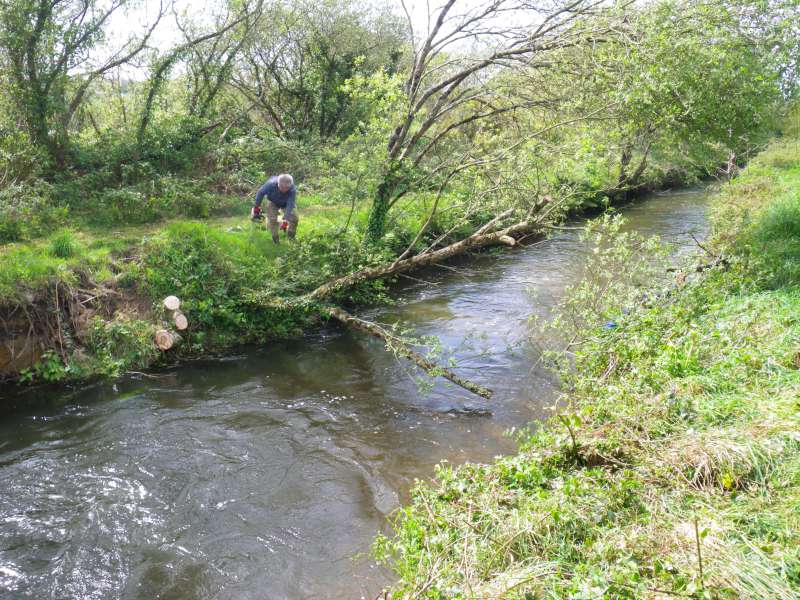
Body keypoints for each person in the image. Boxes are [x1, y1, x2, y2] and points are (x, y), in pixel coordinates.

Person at [251, 173, 298, 244]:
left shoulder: (292, 189)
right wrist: (257, 207)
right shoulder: (270, 184)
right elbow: (260, 193)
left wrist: (285, 219)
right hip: (273, 201)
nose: (284, 190)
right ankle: (275, 239)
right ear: (278, 184)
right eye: (282, 187)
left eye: (287, 188)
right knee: (272, 219)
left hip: (286, 203)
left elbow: (290, 204)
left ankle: (291, 237)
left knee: (294, 219)